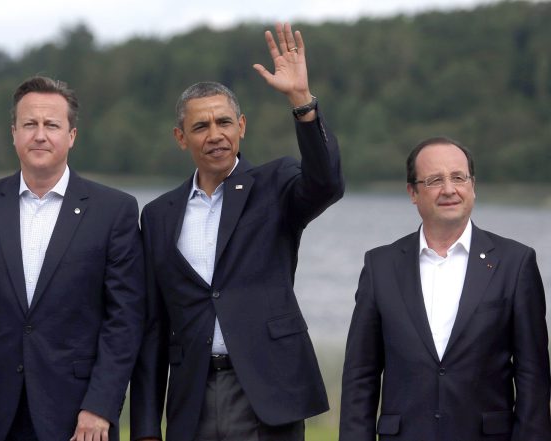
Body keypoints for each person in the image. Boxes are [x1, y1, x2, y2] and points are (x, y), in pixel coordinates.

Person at [130, 23, 344, 441]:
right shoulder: (157, 216)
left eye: (224, 122)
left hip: (267, 392)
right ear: (180, 137)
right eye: (201, 127)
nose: (215, 135)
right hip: (192, 397)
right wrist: (144, 428)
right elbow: (153, 326)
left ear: (241, 126)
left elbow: (326, 184)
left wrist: (302, 102)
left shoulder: (275, 184)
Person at [0, 75, 145, 441]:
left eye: (52, 125)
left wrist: (101, 405)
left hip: (79, 416)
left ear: (72, 135)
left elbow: (124, 320)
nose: (40, 135)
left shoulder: (114, 211)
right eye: (30, 124)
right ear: (13, 133)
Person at [339, 137, 551, 440]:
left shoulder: (515, 263)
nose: (449, 189)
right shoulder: (380, 266)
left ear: (473, 186)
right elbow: (361, 376)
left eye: (458, 178)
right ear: (413, 192)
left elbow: (533, 377)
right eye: (435, 180)